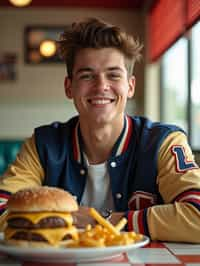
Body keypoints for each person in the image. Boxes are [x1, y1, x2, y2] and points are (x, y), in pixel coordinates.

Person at [0, 17, 200, 243]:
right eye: (87, 75)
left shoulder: (164, 142)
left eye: (113, 75)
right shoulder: (43, 144)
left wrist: (103, 220)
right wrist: (61, 220)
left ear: (130, 86)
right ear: (69, 87)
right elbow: (2, 205)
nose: (101, 86)